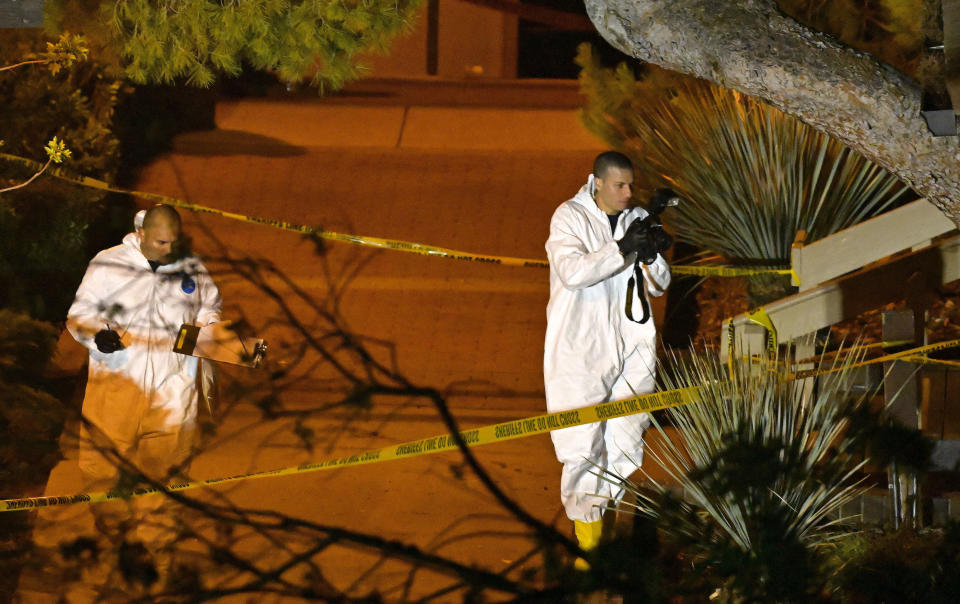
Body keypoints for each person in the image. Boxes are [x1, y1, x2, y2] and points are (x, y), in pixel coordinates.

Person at [543, 151, 671, 568]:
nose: (628, 193)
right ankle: (588, 544)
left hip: (632, 343)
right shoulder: (569, 218)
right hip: (581, 347)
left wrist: (650, 254)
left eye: (631, 185)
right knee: (581, 445)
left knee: (625, 439)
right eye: (619, 185)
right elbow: (573, 273)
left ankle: (606, 528)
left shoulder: (636, 218)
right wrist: (621, 249)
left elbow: (660, 285)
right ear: (595, 181)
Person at [66, 204, 221, 545]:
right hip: (116, 389)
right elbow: (80, 312)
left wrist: (211, 330)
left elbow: (210, 307)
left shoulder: (192, 268)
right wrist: (96, 335)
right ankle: (111, 539)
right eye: (161, 243)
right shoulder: (108, 264)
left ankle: (157, 558)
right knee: (103, 473)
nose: (169, 251)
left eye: (173, 243)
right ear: (141, 235)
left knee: (166, 480)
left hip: (172, 393)